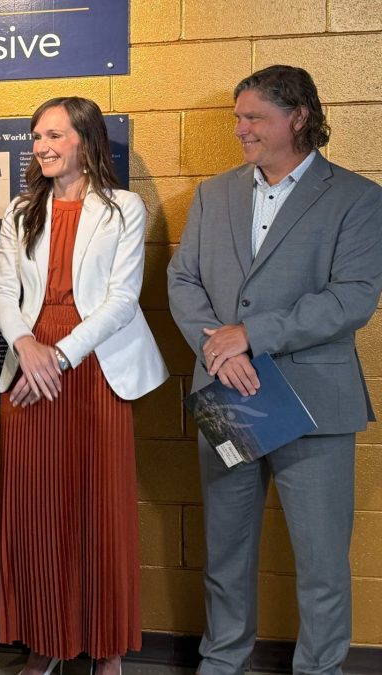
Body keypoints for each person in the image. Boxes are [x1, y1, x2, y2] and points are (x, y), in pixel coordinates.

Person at [168, 65, 382, 675]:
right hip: (231, 395)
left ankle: (319, 668)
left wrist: (250, 336)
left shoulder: (359, 200)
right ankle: (222, 661)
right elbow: (182, 282)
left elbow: (352, 299)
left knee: (320, 561)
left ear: (299, 117)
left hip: (314, 401)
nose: (240, 129)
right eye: (238, 117)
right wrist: (220, 351)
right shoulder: (214, 195)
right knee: (226, 552)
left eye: (253, 117)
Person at [0, 97, 167, 675]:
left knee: (100, 508)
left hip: (93, 368)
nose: (41, 145)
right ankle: (45, 641)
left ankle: (106, 649)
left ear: (86, 141)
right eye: (36, 135)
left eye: (54, 135)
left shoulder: (124, 208)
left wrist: (59, 355)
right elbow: (0, 293)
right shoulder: (19, 210)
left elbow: (122, 300)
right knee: (35, 509)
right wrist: (27, 347)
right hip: (29, 366)